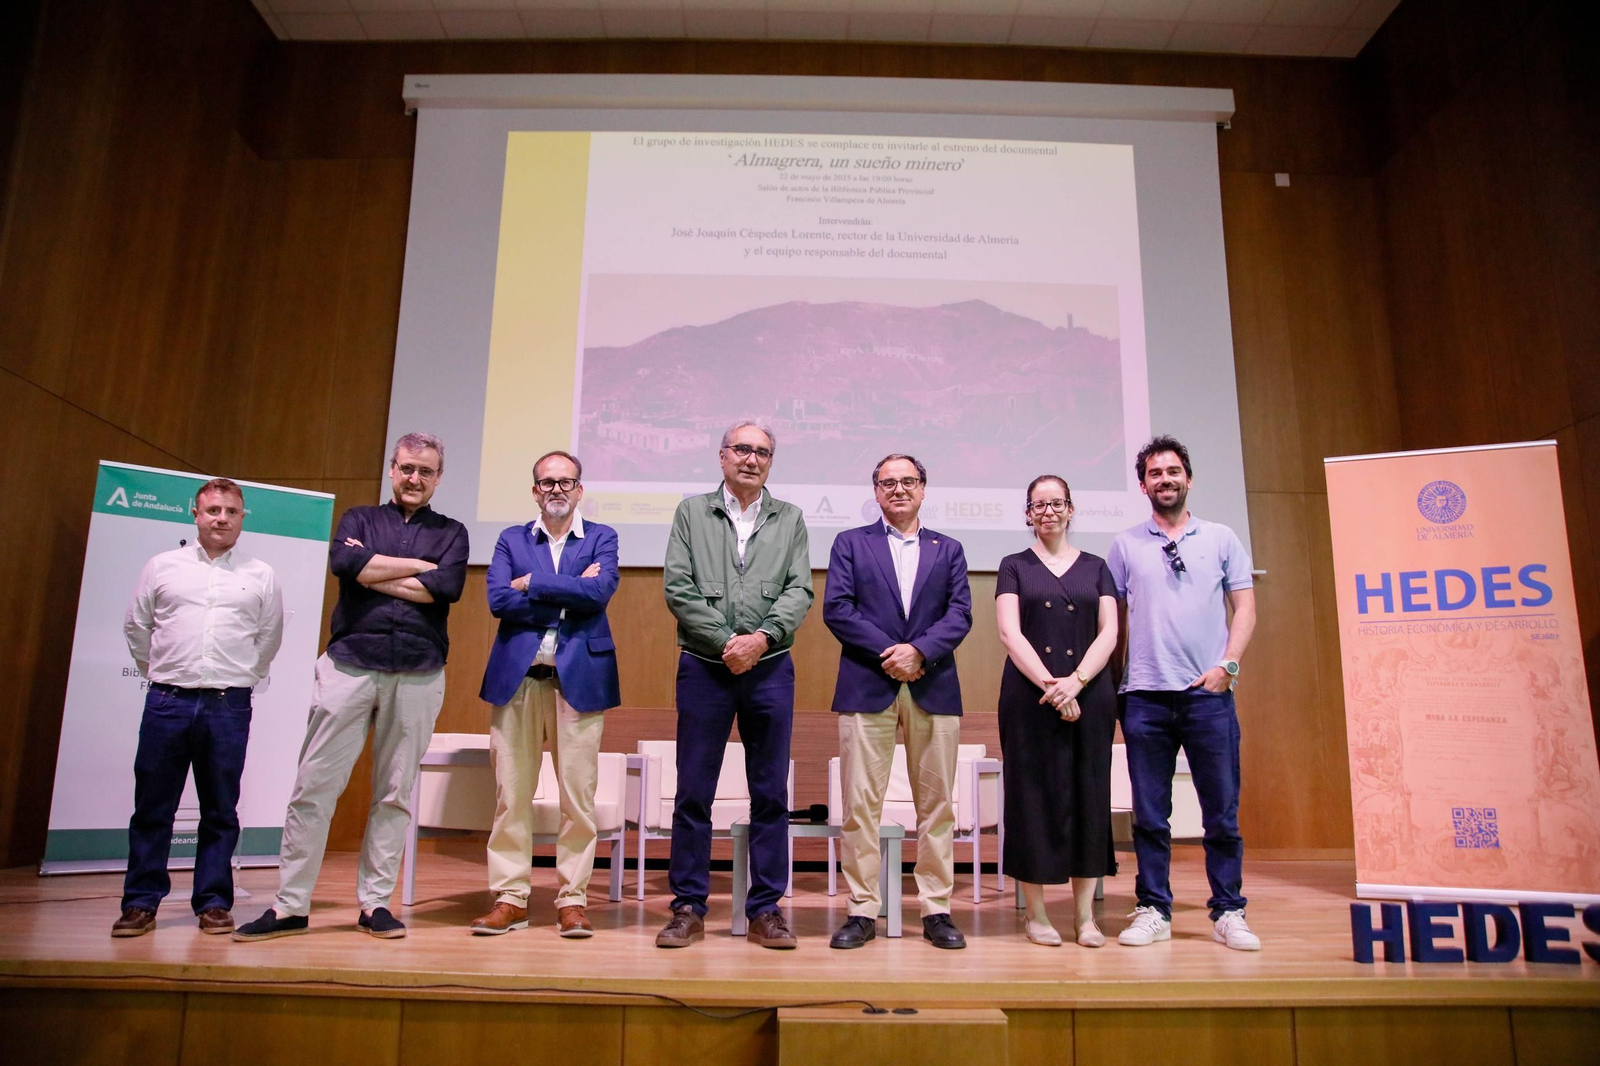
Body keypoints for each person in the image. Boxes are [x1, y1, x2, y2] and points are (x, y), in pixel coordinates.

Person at [234, 432, 468, 942]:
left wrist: (372, 570)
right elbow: (344, 563)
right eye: (407, 468)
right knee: (313, 788)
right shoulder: (359, 520)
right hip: (348, 666)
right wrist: (417, 569)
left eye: (425, 471)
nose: (414, 478)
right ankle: (291, 905)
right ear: (392, 469)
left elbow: (448, 587)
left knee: (395, 794)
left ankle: (375, 904)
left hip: (419, 670)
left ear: (438, 478)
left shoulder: (453, 531)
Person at [656, 420, 814, 949]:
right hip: (704, 666)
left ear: (771, 461)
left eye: (762, 452)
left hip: (771, 667)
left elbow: (799, 590)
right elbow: (678, 587)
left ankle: (765, 909)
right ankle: (688, 907)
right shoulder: (690, 512)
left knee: (769, 793)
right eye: (742, 449)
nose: (751, 459)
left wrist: (761, 639)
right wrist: (729, 641)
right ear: (722, 456)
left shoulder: (789, 517)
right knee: (693, 792)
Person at [112, 479, 284, 937]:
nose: (221, 519)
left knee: (220, 808)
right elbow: (137, 625)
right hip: (168, 700)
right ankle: (140, 903)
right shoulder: (161, 566)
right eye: (212, 510)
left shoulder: (261, 574)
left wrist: (242, 674)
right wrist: (161, 670)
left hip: (229, 705)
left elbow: (269, 638)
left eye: (230, 511)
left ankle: (212, 902)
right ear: (195, 514)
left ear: (242, 517)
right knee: (153, 807)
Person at [1107, 435, 1259, 951]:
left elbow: (1246, 608)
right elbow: (1115, 622)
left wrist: (1227, 667)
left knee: (1221, 810)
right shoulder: (1125, 545)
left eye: (1173, 471)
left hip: (1207, 695)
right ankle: (1153, 907)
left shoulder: (1221, 537)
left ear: (1188, 479)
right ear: (1143, 484)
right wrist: (1112, 686)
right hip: (1144, 697)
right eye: (1155, 473)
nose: (1165, 479)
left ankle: (1229, 911)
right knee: (1149, 815)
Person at [823, 454, 972, 950]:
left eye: (908, 481)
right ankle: (862, 909)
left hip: (933, 685)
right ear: (876, 490)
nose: (899, 490)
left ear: (924, 488)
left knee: (937, 808)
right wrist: (893, 653)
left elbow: (960, 614)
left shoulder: (948, 549)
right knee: (861, 807)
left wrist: (919, 651)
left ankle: (936, 909)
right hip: (868, 684)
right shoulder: (850, 543)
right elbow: (838, 610)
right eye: (889, 483)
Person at [471, 450, 620, 939]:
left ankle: (572, 901)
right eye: (547, 482)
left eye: (566, 482)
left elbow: (599, 596)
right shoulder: (511, 538)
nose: (556, 489)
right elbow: (498, 599)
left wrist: (534, 582)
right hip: (519, 681)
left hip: (579, 681)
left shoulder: (603, 537)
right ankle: (510, 898)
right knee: (510, 795)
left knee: (578, 797)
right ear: (535, 491)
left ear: (580, 490)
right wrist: (569, 589)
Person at [994, 475, 1119, 948]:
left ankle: (1085, 917)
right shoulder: (1014, 566)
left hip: (1090, 693)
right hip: (1031, 697)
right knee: (1031, 798)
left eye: (1056, 503)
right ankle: (1037, 914)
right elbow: (1010, 633)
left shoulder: (1097, 567)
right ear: (1028, 513)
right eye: (1038, 505)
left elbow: (1108, 633)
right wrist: (1053, 687)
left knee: (1089, 796)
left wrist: (1077, 684)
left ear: (1071, 509)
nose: (1048, 511)